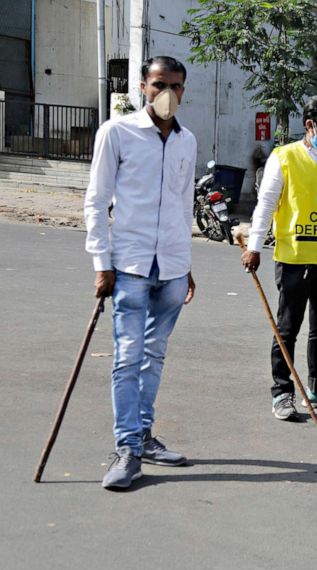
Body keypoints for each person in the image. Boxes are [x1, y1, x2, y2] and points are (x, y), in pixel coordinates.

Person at [84, 55, 196, 490]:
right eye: (159, 84)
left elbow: (183, 204)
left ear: (184, 90)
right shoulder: (118, 132)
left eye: (176, 86)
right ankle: (127, 448)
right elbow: (96, 201)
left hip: (171, 267)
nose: (167, 93)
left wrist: (185, 265)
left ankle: (145, 436)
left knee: (155, 356)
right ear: (143, 86)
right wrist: (100, 263)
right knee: (128, 357)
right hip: (128, 266)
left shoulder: (187, 140)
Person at [242, 96, 317, 421]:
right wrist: (254, 247)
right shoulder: (285, 158)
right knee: (287, 329)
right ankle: (282, 393)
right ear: (311, 125)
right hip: (295, 258)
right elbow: (265, 205)